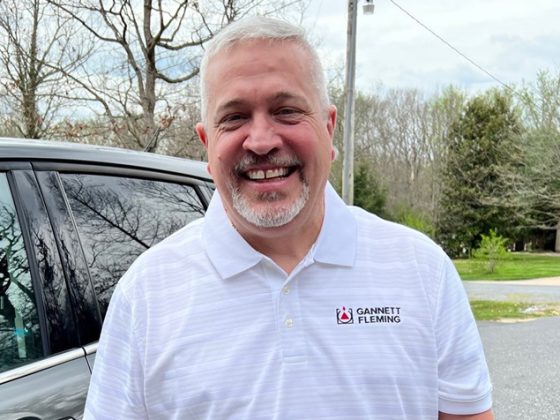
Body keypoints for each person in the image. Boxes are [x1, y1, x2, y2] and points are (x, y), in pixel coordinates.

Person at [84, 16, 493, 420]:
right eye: (235, 117)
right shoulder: (146, 296)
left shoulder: (422, 271)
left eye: (287, 111)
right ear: (207, 144)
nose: (261, 141)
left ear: (329, 129)